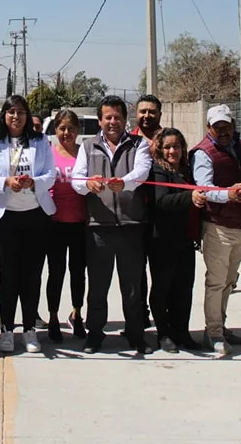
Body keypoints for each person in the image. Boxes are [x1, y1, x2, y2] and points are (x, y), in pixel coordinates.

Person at [0, 95, 56, 353]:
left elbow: (50, 176)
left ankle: (29, 329)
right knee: (8, 276)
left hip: (35, 216)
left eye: (20, 112)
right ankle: (6, 329)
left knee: (32, 276)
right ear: (3, 115)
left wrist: (34, 181)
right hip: (3, 219)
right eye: (10, 112)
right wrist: (5, 182)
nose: (15, 117)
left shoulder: (41, 141)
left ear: (27, 116)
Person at [71, 95, 152, 354]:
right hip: (99, 226)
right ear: (100, 120)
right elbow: (76, 179)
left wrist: (124, 182)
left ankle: (136, 334)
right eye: (108, 117)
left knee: (132, 286)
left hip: (131, 225)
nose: (113, 122)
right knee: (98, 285)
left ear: (125, 119)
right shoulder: (88, 146)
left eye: (118, 117)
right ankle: (95, 333)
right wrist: (88, 185)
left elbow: (142, 172)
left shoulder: (138, 144)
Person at [190, 105, 241, 355]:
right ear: (209, 128)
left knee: (229, 280)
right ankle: (213, 332)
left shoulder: (238, 147)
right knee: (216, 281)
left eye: (226, 126)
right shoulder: (203, 153)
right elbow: (203, 188)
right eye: (218, 127)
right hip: (218, 225)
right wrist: (227, 195)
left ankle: (220, 325)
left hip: (239, 225)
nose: (223, 131)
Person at [147, 128, 204, 353]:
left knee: (183, 289)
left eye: (177, 146)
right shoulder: (158, 170)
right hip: (162, 240)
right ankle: (164, 333)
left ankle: (182, 331)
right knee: (163, 288)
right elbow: (161, 201)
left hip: (184, 239)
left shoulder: (186, 170)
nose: (173, 151)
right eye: (168, 147)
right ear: (161, 149)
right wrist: (189, 196)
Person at [45, 109, 89, 341]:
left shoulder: (84, 154)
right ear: (55, 130)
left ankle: (77, 313)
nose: (66, 133)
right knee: (56, 273)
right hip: (55, 224)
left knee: (78, 273)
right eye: (62, 128)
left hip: (79, 223)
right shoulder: (49, 154)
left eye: (71, 128)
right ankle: (53, 317)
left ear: (78, 131)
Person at [132, 94, 163, 329]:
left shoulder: (170, 141)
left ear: (159, 115)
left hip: (164, 216)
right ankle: (139, 317)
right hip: (134, 214)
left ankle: (164, 319)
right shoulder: (128, 141)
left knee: (162, 272)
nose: (146, 115)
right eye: (143, 111)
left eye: (151, 111)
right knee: (136, 270)